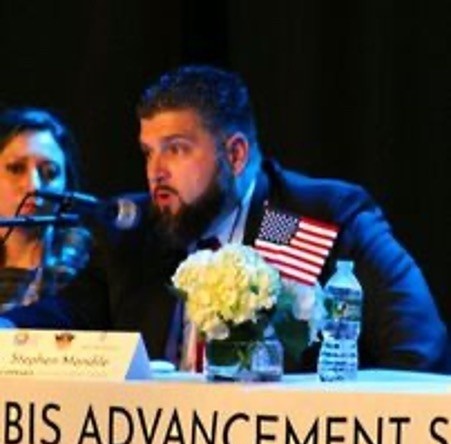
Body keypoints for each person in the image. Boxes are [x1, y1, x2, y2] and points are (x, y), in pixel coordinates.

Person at [0, 66, 447, 373]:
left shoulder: (313, 219)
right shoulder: (136, 229)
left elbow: (419, 350)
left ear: (235, 155)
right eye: (148, 152)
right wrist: (9, 330)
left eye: (176, 149)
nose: (156, 172)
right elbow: (68, 313)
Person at [0, 106, 91, 312]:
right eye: (16, 168)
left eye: (50, 172)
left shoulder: (87, 265)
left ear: (66, 184)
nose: (34, 186)